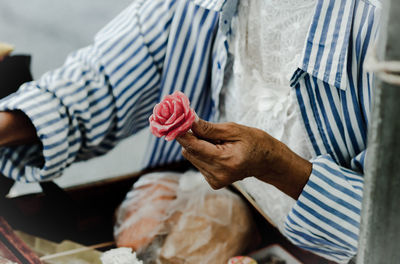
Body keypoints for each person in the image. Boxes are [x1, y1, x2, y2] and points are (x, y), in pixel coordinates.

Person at [0, 0, 381, 263]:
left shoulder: (381, 26)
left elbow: (386, 226)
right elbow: (108, 73)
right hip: (198, 213)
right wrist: (9, 124)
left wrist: (278, 166)